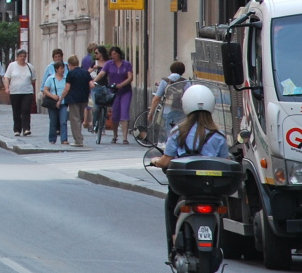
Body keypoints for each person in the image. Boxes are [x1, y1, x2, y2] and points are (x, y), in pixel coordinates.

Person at [151, 84, 230, 255]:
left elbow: (166, 161)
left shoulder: (177, 132)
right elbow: (226, 161)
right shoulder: (218, 135)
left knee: (171, 203)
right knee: (221, 207)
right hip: (211, 189)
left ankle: (173, 241)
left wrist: (156, 161)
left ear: (185, 105)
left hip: (184, 187)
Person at [97, 46, 135, 143]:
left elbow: (130, 77)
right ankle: (115, 135)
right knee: (115, 114)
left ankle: (125, 137)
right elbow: (102, 74)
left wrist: (122, 84)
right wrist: (93, 81)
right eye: (112, 54)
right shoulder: (109, 64)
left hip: (125, 91)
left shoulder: (126, 64)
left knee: (124, 113)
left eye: (115, 54)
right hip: (113, 92)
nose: (113, 56)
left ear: (119, 54)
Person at [149, 61, 188, 130]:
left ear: (171, 69)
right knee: (180, 134)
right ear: (183, 71)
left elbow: (156, 98)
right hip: (181, 112)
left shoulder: (165, 81)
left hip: (168, 111)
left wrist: (151, 113)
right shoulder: (186, 83)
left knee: (170, 134)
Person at [4, 50, 35, 137]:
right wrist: (7, 88)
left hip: (27, 91)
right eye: (20, 56)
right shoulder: (12, 66)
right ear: (17, 57)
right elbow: (7, 77)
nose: (22, 58)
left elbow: (33, 79)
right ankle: (17, 129)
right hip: (15, 91)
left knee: (26, 109)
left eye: (24, 56)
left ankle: (26, 128)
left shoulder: (30, 66)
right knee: (16, 111)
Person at [61, 54, 90, 147]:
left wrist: (60, 99)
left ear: (70, 64)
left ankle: (78, 140)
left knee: (75, 119)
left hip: (73, 99)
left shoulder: (71, 73)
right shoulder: (85, 72)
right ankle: (79, 137)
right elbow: (91, 84)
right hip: (84, 98)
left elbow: (67, 88)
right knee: (80, 118)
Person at [41, 57, 68, 145]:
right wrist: (52, 96)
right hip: (53, 102)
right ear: (56, 69)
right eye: (61, 68)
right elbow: (45, 89)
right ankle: (52, 138)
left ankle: (64, 139)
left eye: (63, 68)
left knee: (63, 121)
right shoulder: (51, 79)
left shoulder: (66, 79)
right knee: (53, 121)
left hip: (63, 102)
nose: (63, 70)